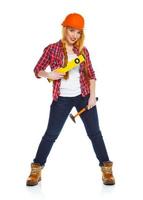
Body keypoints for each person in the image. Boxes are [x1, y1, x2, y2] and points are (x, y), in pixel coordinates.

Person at [26, 13, 115, 186]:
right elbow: (37, 69)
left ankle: (106, 169)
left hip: (83, 97)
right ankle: (36, 169)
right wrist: (48, 74)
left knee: (95, 133)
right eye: (71, 30)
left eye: (78, 32)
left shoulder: (82, 51)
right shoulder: (52, 49)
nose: (74, 35)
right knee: (51, 134)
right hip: (62, 99)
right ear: (65, 29)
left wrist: (91, 97)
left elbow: (92, 75)